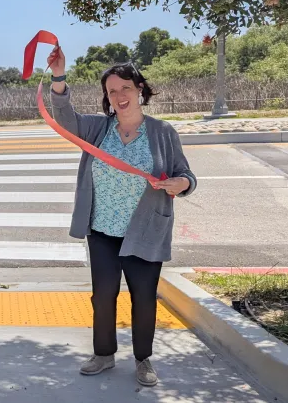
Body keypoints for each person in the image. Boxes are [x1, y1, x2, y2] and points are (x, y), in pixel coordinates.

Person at [47, 44, 197, 387]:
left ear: (139, 89)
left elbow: (187, 175)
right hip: (101, 230)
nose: (119, 96)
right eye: (111, 91)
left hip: (145, 232)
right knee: (103, 295)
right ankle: (103, 353)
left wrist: (180, 184)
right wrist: (59, 77)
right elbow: (65, 119)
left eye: (125, 88)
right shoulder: (99, 129)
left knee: (144, 297)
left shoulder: (162, 133)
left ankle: (143, 359)